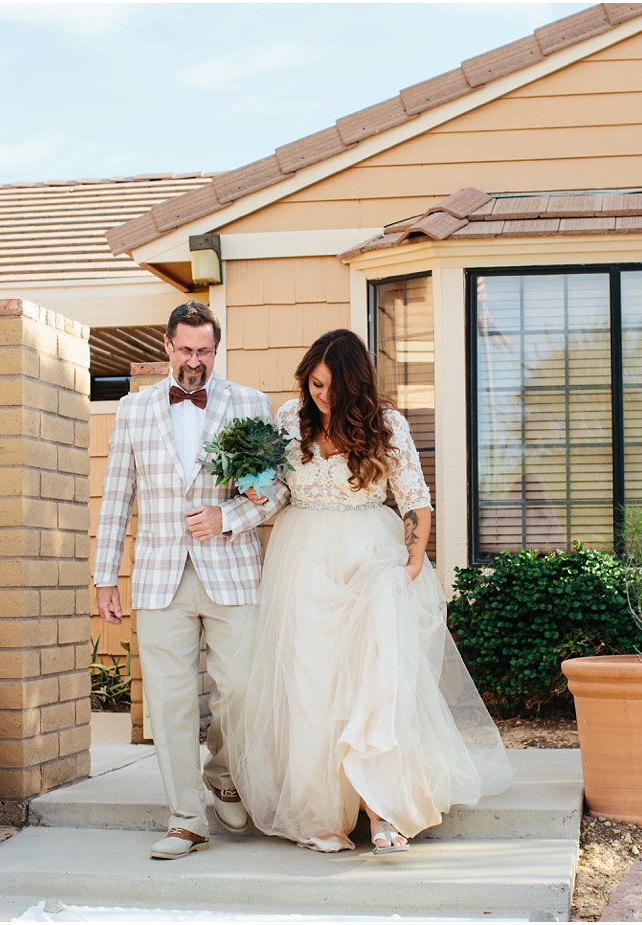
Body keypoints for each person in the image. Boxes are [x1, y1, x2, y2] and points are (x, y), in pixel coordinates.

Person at [220, 328, 513, 853]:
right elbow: (278, 493)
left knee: (372, 684)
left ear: (358, 386)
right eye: (315, 384)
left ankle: (382, 812)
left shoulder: (388, 426)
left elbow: (416, 503)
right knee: (311, 684)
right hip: (303, 563)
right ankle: (318, 815)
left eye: (334, 388)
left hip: (369, 564)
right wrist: (252, 490)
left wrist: (410, 564)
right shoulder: (290, 419)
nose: (323, 397)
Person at [92, 301, 284, 861]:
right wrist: (106, 576)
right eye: (185, 350)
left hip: (232, 573)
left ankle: (223, 772)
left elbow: (275, 489)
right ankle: (185, 819)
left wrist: (227, 518)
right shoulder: (132, 409)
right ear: (168, 347)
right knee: (171, 704)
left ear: (215, 350)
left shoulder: (250, 404)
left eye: (204, 351)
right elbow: (116, 498)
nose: (194, 361)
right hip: (158, 577)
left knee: (243, 690)